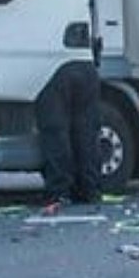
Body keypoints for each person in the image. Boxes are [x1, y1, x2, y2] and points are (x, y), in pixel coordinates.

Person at [33, 59, 102, 205]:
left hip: (52, 71)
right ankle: (89, 189)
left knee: (55, 133)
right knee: (86, 134)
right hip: (86, 66)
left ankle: (59, 191)